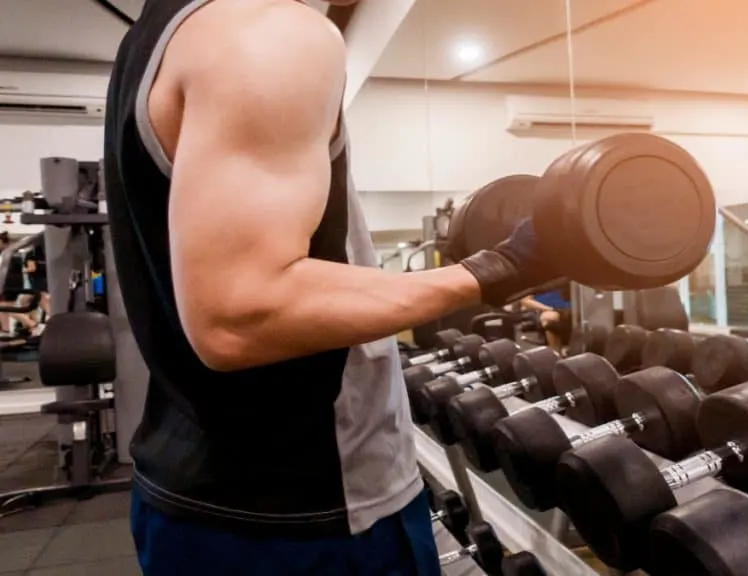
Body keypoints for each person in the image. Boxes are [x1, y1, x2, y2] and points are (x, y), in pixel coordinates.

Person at [103, 1, 555, 574]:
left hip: (201, 491)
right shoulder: (267, 29)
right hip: (302, 519)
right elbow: (241, 314)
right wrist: (498, 269)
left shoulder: (162, 33)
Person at [520, 283, 572, 350]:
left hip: (571, 308)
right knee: (549, 318)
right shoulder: (533, 279)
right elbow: (525, 301)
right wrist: (550, 309)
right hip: (547, 310)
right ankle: (556, 354)